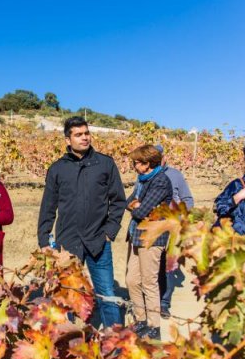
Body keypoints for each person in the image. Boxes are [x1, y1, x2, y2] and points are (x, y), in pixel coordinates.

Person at [37, 116, 126, 328]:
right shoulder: (58, 169)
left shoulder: (105, 164)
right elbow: (48, 207)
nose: (84, 138)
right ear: (68, 140)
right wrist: (44, 241)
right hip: (67, 244)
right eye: (78, 135)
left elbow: (118, 200)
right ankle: (67, 337)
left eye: (86, 133)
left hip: (98, 241)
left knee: (106, 293)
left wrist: (109, 232)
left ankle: (115, 340)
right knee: (67, 293)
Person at [125, 145, 172, 340]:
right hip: (136, 235)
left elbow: (140, 211)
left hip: (152, 238)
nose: (134, 166)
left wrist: (136, 205)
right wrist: (135, 204)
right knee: (132, 280)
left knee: (149, 283)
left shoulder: (160, 181)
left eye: (136, 162)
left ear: (147, 163)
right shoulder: (142, 180)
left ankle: (154, 327)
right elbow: (128, 201)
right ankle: (141, 319)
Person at [155, 145, 194, 319]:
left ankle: (164, 303)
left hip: (172, 227)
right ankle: (151, 300)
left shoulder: (175, 175)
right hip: (153, 226)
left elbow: (188, 200)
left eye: (159, 157)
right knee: (151, 265)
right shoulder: (146, 175)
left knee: (168, 266)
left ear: (164, 157)